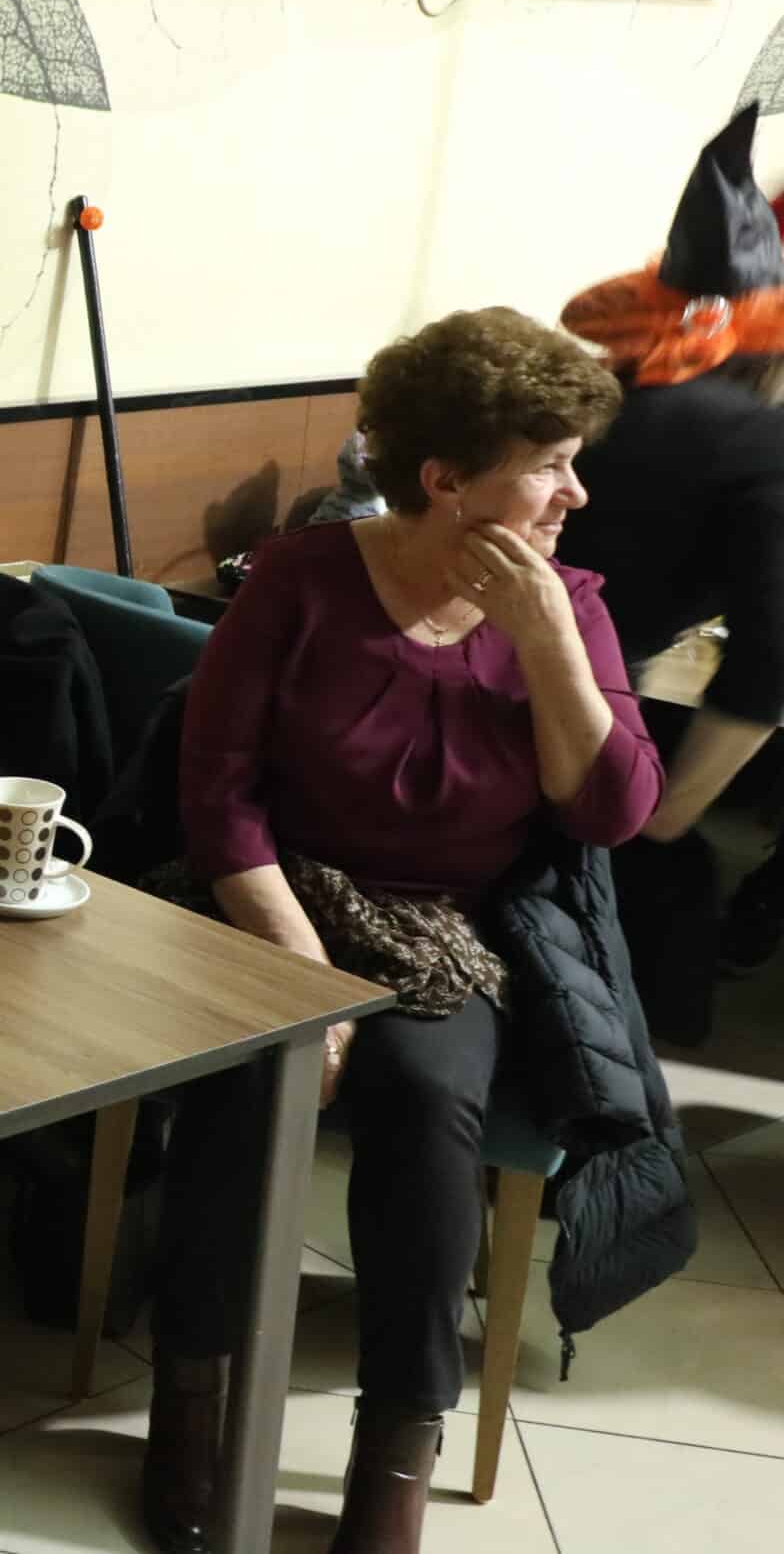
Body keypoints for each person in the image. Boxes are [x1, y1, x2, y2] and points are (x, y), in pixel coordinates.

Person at [139, 309, 661, 1554]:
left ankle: (396, 1451)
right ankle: (190, 1403)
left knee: (431, 1100)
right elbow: (218, 799)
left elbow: (611, 810)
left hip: (448, 934)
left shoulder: (569, 606)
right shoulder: (300, 581)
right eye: (549, 465)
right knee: (250, 1080)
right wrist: (302, 978)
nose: (575, 493)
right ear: (443, 478)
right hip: (274, 904)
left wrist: (545, 640)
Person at [557, 105, 784, 1008]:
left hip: (436, 710)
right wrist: (664, 817)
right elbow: (770, 662)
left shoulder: (587, 395)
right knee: (662, 893)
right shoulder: (759, 445)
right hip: (572, 740)